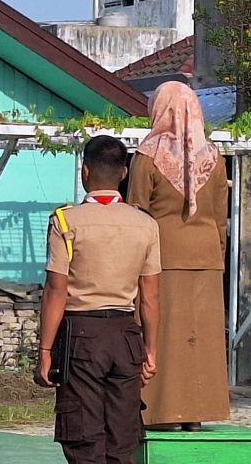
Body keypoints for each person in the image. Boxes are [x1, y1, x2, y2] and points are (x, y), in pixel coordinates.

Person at [36, 135, 161, 464]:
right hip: (126, 337)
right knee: (123, 439)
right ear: (123, 174)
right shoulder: (146, 225)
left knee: (83, 438)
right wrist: (150, 351)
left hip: (81, 339)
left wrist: (45, 351)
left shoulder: (65, 221)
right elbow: (150, 296)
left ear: (85, 172)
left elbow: (56, 291)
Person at [127, 81, 230, 431]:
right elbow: (220, 217)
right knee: (201, 338)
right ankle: (197, 414)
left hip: (161, 257)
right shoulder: (214, 158)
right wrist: (216, 254)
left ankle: (162, 414)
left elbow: (136, 212)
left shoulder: (148, 155)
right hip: (206, 259)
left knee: (162, 335)